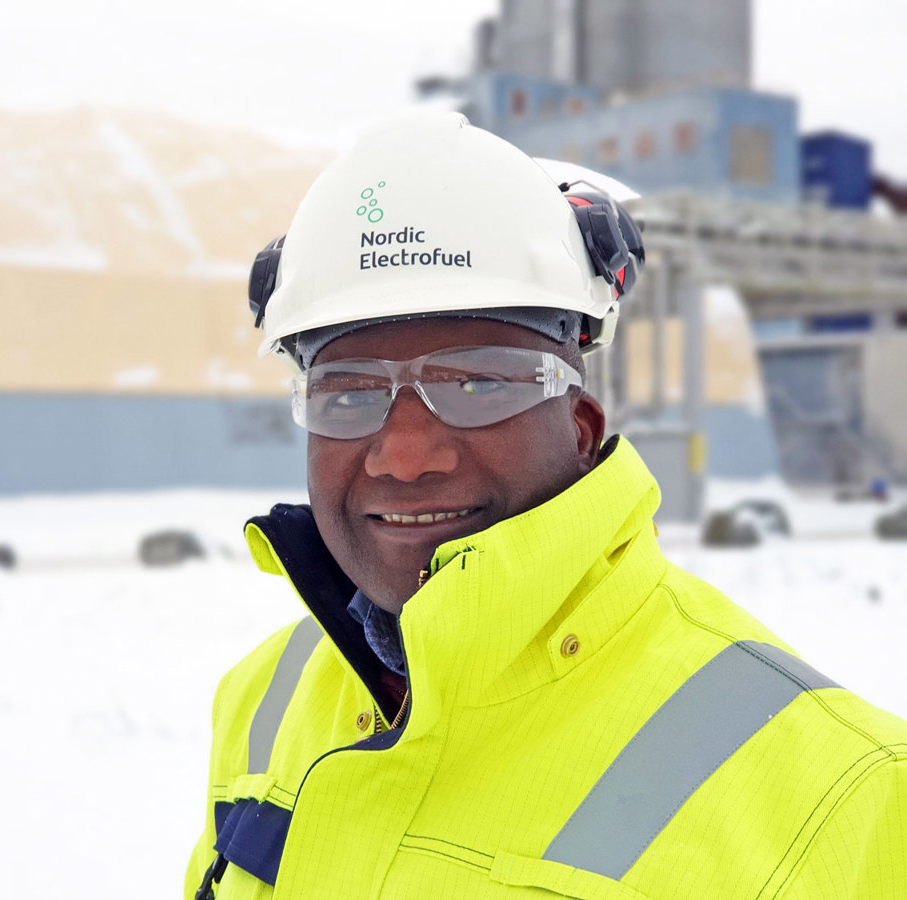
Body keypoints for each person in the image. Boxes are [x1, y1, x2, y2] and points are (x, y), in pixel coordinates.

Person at [185, 113, 907, 899]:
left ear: (582, 428)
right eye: (348, 394)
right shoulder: (262, 700)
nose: (405, 455)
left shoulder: (846, 799)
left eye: (478, 383)